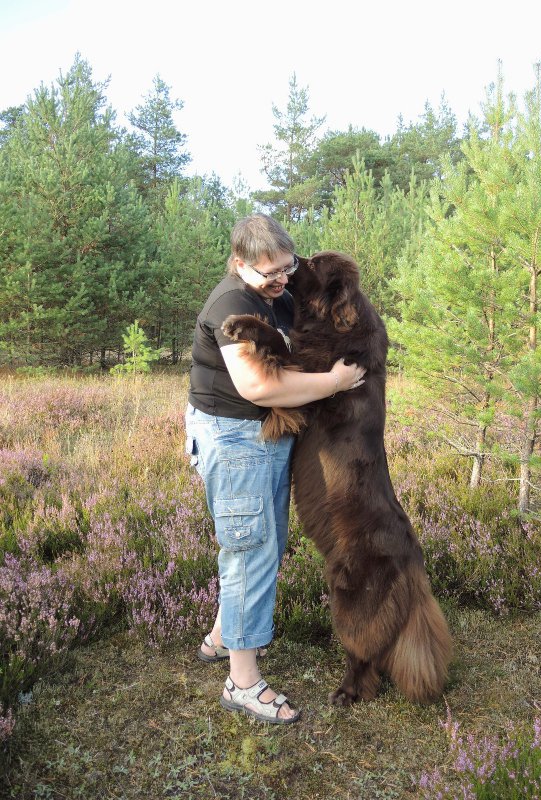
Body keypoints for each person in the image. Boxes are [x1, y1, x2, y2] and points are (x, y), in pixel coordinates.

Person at [185, 214, 366, 724]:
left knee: (263, 540)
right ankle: (242, 683)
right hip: (236, 437)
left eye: (288, 267)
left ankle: (223, 636)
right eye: (270, 272)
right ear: (239, 264)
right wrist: (334, 383)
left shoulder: (276, 297)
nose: (283, 279)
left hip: (265, 438)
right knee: (251, 549)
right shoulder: (231, 305)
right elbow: (259, 388)